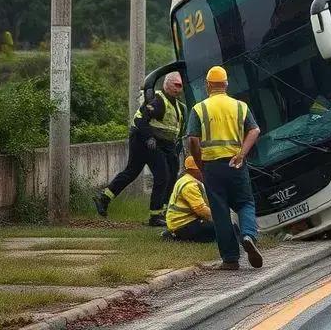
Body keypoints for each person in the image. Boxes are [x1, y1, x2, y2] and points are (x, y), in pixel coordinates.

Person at [187, 65, 264, 270]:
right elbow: (255, 130)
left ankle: (230, 259)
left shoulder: (199, 108)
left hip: (212, 166)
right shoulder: (240, 106)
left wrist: (199, 161)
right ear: (226, 84)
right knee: (245, 202)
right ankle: (248, 235)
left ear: (207, 86)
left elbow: (193, 140)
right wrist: (242, 153)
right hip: (236, 163)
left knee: (220, 212)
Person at [94, 72, 186, 226]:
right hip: (143, 140)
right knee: (162, 174)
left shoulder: (178, 106)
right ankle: (155, 215)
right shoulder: (158, 101)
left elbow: (173, 129)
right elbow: (139, 119)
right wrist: (149, 137)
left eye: (181, 86)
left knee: (140, 171)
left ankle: (104, 198)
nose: (179, 89)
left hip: (162, 143)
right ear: (166, 83)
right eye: (176, 85)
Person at [165, 156, 215, 242]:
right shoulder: (190, 185)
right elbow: (201, 209)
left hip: (180, 223)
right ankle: (176, 236)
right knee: (223, 229)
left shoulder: (184, 180)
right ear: (194, 170)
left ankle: (174, 234)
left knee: (220, 228)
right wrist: (218, 217)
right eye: (201, 169)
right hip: (183, 225)